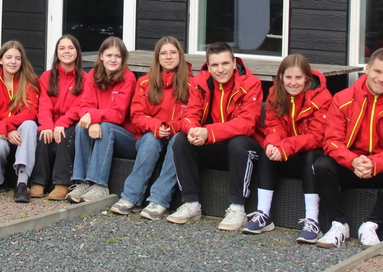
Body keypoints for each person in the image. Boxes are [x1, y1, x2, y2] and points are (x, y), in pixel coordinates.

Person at [314, 47, 383, 248]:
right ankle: (338, 225)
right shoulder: (343, 98)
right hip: (351, 165)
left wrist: (375, 163)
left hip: (381, 168)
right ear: (367, 69)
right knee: (322, 164)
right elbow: (331, 140)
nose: (381, 78)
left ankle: (371, 226)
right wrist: (352, 160)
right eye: (377, 72)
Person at [168, 41, 264, 231]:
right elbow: (189, 115)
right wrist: (194, 131)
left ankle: (238, 209)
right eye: (215, 65)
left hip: (249, 149)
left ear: (234, 63)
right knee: (181, 140)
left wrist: (209, 132)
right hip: (217, 145)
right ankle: (191, 204)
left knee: (238, 143)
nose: (221, 70)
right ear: (208, 66)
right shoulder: (199, 83)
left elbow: (247, 124)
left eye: (225, 64)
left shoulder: (251, 83)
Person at [242, 54, 330, 243]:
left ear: (307, 78)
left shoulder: (322, 97)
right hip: (288, 152)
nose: (293, 83)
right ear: (281, 76)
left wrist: (286, 147)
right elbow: (274, 125)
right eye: (288, 77)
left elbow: (317, 136)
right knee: (267, 149)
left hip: (310, 154)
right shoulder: (275, 93)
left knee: (311, 155)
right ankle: (263, 214)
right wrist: (274, 143)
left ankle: (313, 221)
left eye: (298, 78)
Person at [109, 36, 191, 221]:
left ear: (180, 55)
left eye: (173, 52)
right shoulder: (145, 82)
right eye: (164, 53)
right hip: (151, 137)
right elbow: (137, 115)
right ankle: (130, 197)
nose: (168, 57)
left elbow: (193, 117)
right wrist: (156, 126)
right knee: (150, 139)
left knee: (179, 141)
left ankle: (159, 200)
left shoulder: (191, 83)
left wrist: (171, 127)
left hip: (177, 136)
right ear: (157, 57)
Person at [67, 36, 136, 203]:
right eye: (109, 55)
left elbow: (119, 115)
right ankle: (81, 182)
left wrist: (95, 117)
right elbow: (84, 107)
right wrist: (94, 120)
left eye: (117, 56)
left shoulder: (128, 78)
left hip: (125, 137)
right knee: (81, 127)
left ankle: (99, 185)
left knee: (105, 128)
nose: (113, 60)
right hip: (100, 126)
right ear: (101, 56)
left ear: (123, 59)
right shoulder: (93, 74)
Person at [0, 40, 40, 203]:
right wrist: (5, 129)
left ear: (22, 61)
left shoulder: (29, 82)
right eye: (9, 57)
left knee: (30, 125)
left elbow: (30, 113)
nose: (13, 62)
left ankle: (22, 183)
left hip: (19, 129)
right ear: (0, 60)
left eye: (17, 58)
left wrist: (7, 124)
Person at [32, 34, 85, 201]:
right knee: (43, 135)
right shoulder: (47, 77)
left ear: (77, 52)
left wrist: (62, 123)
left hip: (71, 122)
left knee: (65, 135)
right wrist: (47, 125)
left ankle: (62, 183)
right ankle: (38, 182)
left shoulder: (85, 78)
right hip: (51, 121)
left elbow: (79, 106)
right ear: (57, 52)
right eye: (62, 48)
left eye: (70, 48)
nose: (66, 51)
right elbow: (44, 104)